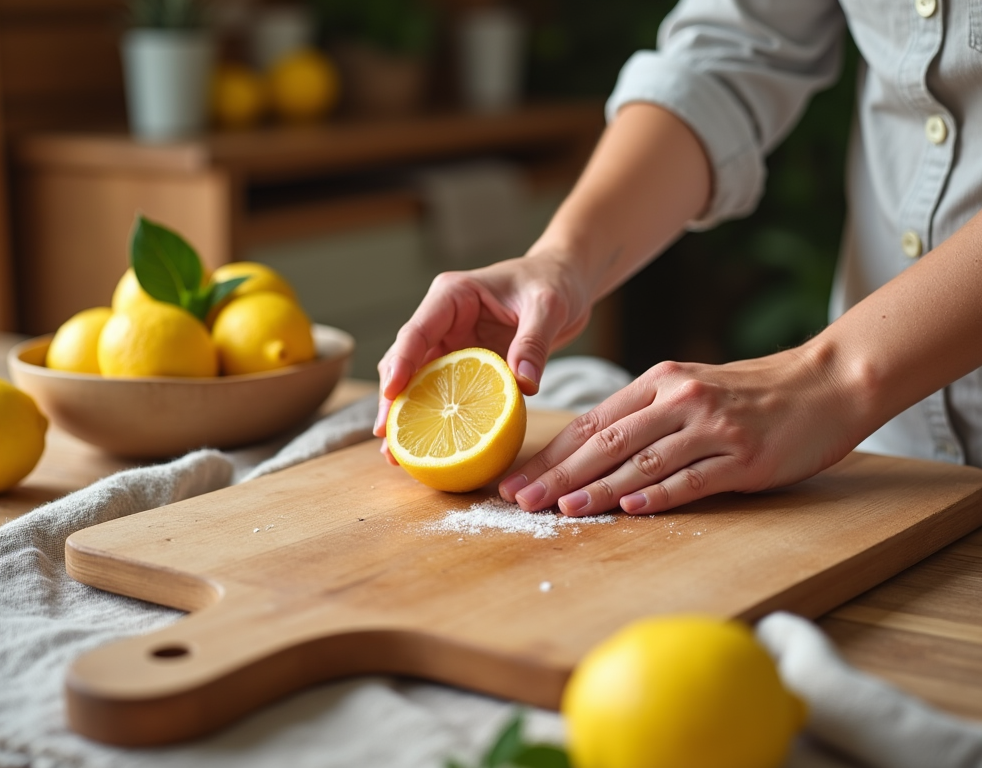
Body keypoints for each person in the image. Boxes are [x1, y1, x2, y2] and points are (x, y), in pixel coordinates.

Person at [373, 0, 982, 517]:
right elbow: (729, 54)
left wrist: (832, 377)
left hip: (856, 428)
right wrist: (563, 259)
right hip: (885, 476)